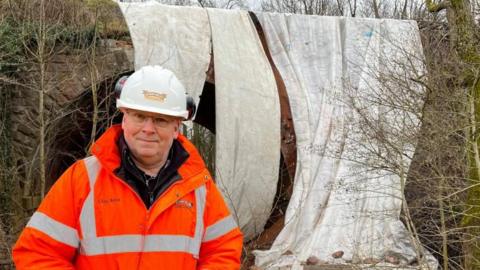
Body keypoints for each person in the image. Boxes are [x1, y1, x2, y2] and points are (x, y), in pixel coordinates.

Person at [13, 65, 243, 269]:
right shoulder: (82, 180)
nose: (148, 128)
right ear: (124, 119)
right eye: (139, 116)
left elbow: (223, 250)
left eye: (161, 120)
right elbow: (37, 253)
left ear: (176, 127)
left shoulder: (199, 187)